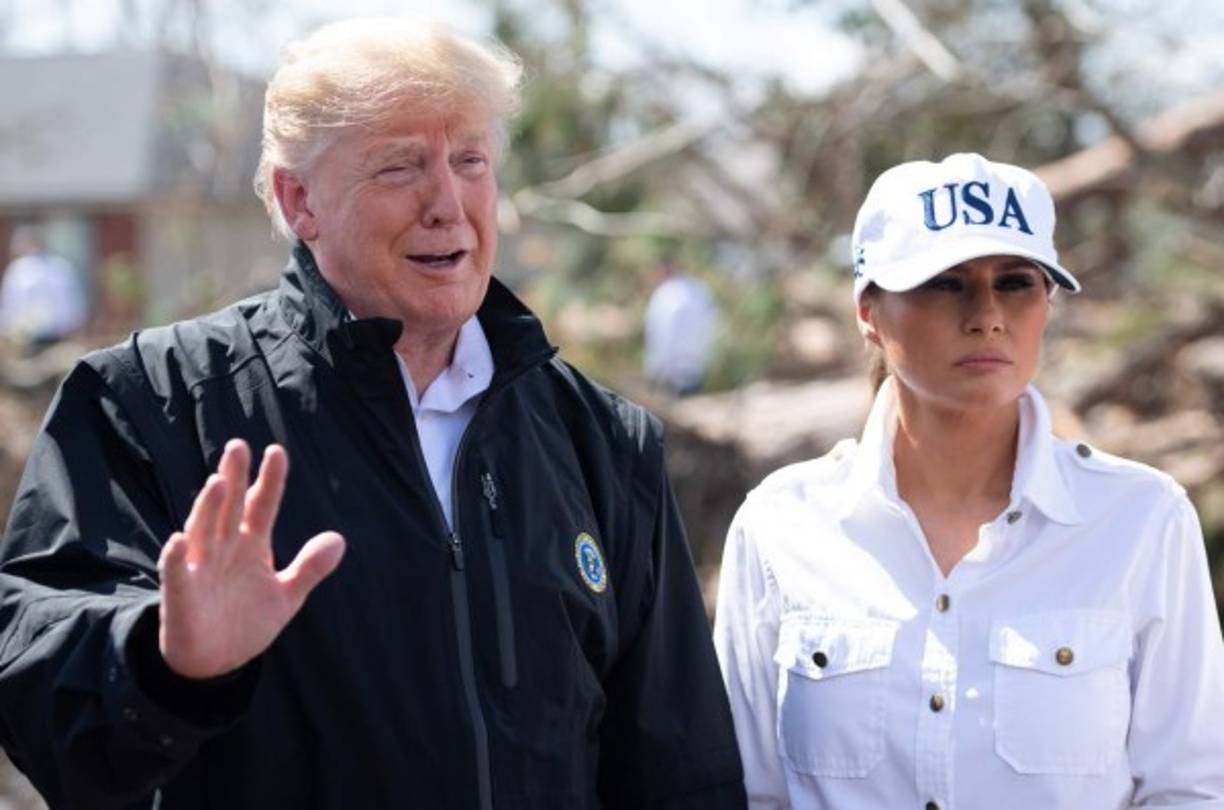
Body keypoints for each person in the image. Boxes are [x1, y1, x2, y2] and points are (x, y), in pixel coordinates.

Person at [0, 18, 745, 810]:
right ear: (299, 200)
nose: (447, 204)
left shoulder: (603, 445)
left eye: (471, 162)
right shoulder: (150, 405)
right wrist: (164, 664)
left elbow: (682, 773)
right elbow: (37, 695)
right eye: (400, 167)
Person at [713, 153, 1224, 809]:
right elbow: (746, 790)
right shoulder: (781, 526)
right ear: (869, 310)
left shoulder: (1141, 520)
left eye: (1016, 282)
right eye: (945, 283)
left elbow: (1192, 787)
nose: (987, 314)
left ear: (1047, 304)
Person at [0, 224, 88, 349]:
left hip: (53, 337)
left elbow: (10, 305)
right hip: (31, 338)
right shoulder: (61, 266)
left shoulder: (19, 269)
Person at [643, 261, 718, 395]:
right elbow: (711, 324)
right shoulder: (699, 290)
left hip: (671, 375)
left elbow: (660, 335)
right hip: (696, 370)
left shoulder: (665, 295)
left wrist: (656, 370)